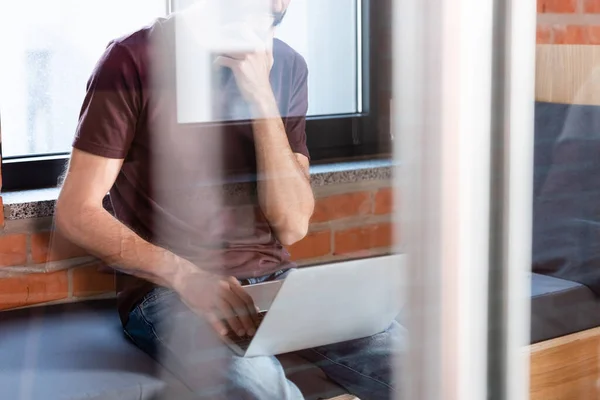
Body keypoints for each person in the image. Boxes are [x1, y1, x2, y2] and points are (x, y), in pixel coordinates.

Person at [55, 1, 404, 398]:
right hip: (170, 293)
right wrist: (188, 277)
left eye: (274, 18)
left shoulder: (287, 66)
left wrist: (262, 98)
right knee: (263, 389)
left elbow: (292, 224)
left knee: (415, 366)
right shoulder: (132, 58)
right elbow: (76, 211)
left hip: (273, 282)